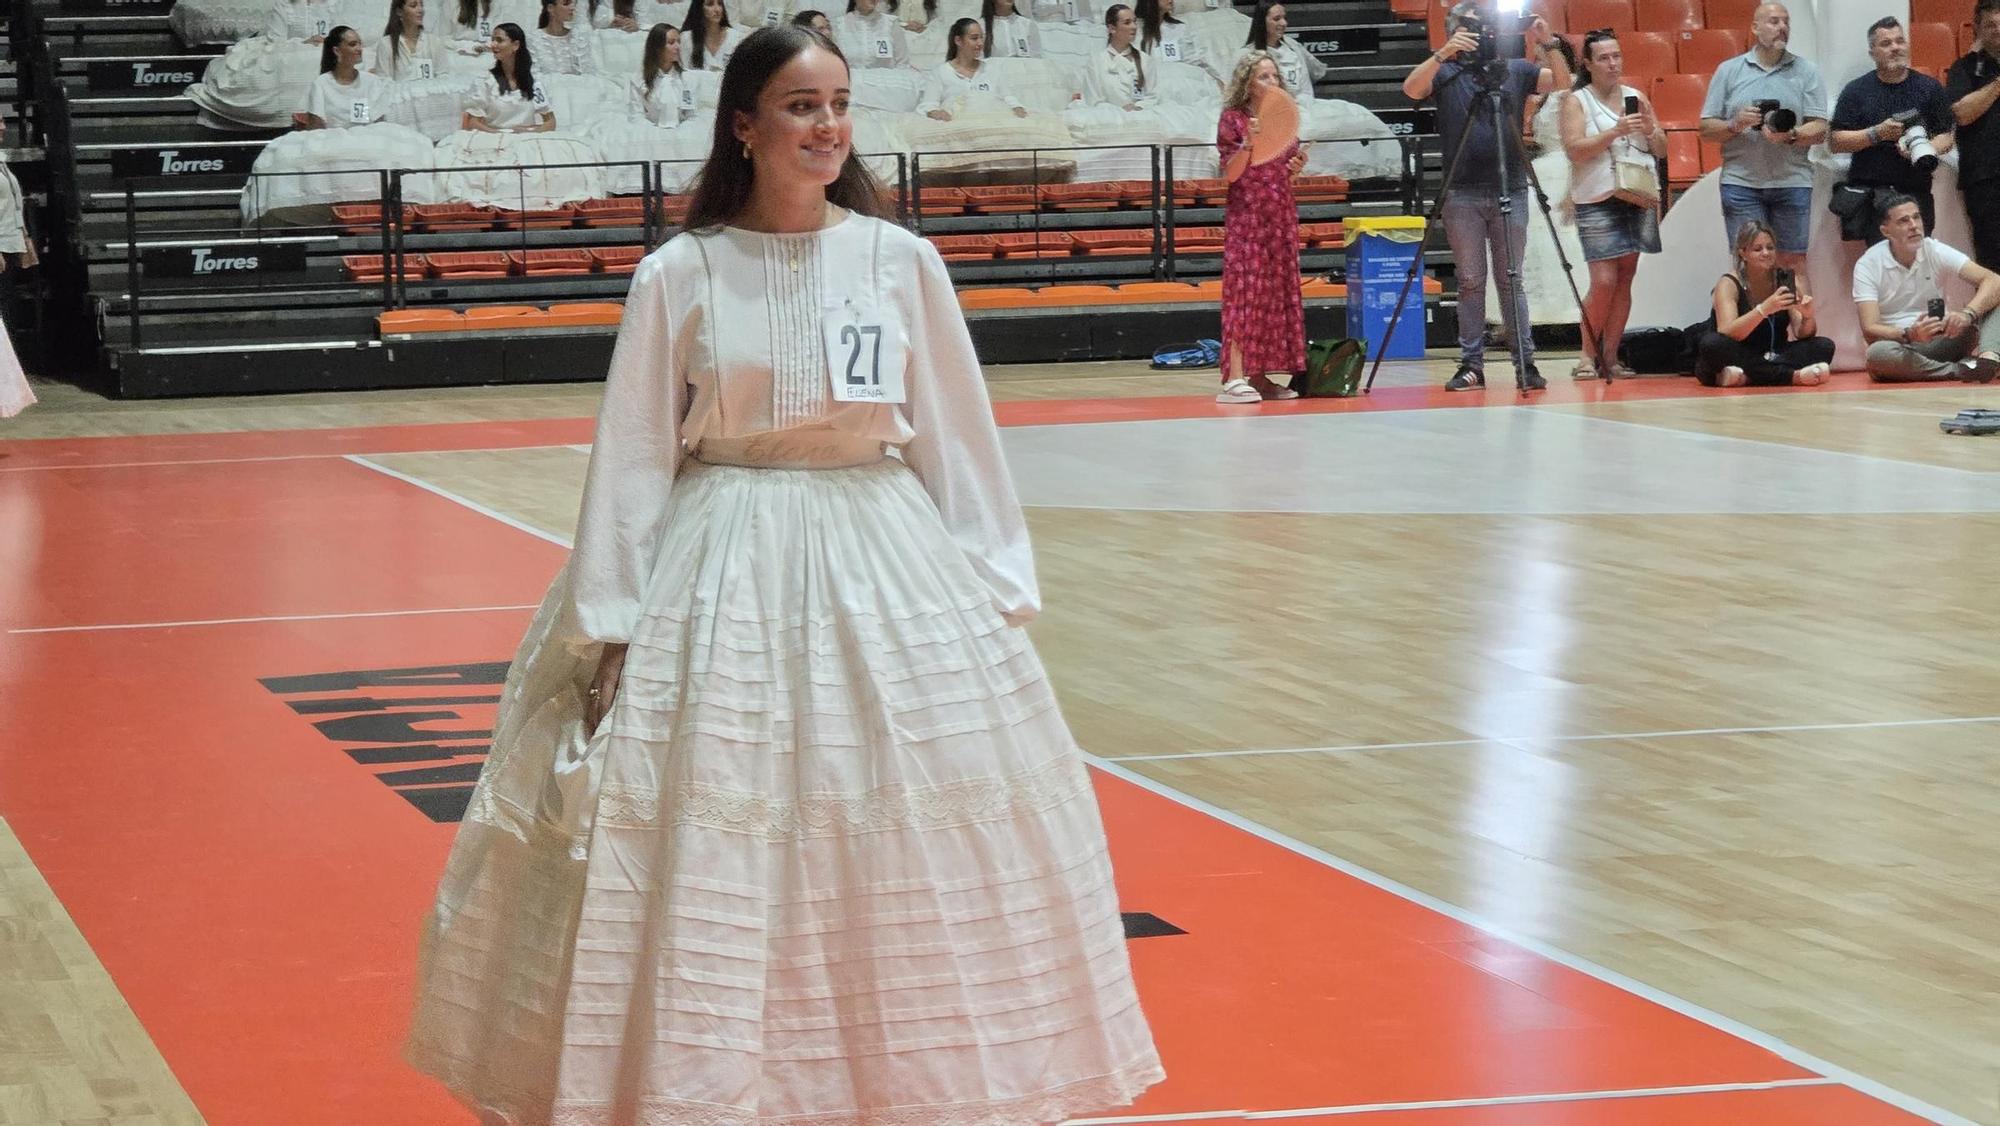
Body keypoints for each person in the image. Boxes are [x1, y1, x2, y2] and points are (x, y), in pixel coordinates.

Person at [404, 24, 1166, 1125]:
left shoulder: (899, 261)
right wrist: (606, 624)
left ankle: (893, 1086)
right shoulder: (684, 271)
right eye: (801, 106)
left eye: (838, 104)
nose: (825, 127)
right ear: (744, 124)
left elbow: (954, 431)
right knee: (714, 836)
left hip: (882, 550)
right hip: (721, 550)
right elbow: (631, 456)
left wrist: (994, 586)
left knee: (892, 831)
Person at [1402, 0, 1570, 391]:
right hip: (1461, 192)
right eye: (1471, 26)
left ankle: (1525, 364)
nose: (1480, 34)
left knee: (1512, 279)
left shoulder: (1514, 70)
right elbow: (1411, 89)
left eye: (1484, 26)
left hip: (1510, 185)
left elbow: (1563, 84)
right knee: (1471, 281)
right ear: (1455, 29)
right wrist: (1444, 51)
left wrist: (1549, 44)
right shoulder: (1446, 72)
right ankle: (1471, 364)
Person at [1560, 29, 1663, 380]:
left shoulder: (1637, 96)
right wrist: (1615, 131)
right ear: (1587, 64)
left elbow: (1661, 149)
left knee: (1625, 279)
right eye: (1603, 58)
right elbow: (1574, 150)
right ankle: (1586, 355)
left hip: (1637, 194)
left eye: (1616, 56)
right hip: (1597, 196)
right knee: (1603, 280)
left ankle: (1611, 355)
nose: (1613, 63)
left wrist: (1650, 129)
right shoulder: (1578, 101)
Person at [1698, 3, 1827, 272]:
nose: (1782, 28)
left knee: (1793, 263)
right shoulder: (1729, 71)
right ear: (1755, 28)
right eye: (1773, 22)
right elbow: (1707, 129)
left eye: (1786, 22)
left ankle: (1798, 316)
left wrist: (1790, 135)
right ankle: (1757, 315)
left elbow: (1819, 128)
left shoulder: (1807, 71)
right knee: (1750, 265)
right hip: (1742, 184)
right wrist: (1735, 124)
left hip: (1793, 182)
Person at [1215, 51, 1306, 403]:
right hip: (1248, 217)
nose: (1272, 82)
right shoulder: (1233, 120)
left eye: (1274, 76)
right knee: (1244, 295)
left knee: (1273, 295)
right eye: (1263, 77)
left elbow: (1281, 172)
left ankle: (1261, 375)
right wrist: (1249, 143)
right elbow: (1232, 173)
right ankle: (1234, 375)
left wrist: (1296, 168)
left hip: (1279, 215)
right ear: (1247, 83)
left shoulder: (1283, 121)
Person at [1830, 17, 1954, 240]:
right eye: (1886, 44)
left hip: (1917, 194)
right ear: (1872, 52)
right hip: (1873, 196)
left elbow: (1946, 136)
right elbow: (1836, 142)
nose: (1895, 48)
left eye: (1899, 41)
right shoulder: (1856, 91)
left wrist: (1925, 147)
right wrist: (1876, 134)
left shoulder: (1930, 87)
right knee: (1881, 267)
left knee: (1919, 265)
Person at [1857, 194, 2000, 381]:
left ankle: (1989, 360)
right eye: (1903, 221)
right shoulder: (1868, 263)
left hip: (1943, 339)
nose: (1914, 225)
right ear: (1886, 231)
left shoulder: (1934, 249)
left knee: (1995, 296)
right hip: (1902, 346)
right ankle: (1961, 370)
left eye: (1916, 217)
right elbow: (1869, 328)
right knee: (1877, 354)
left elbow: (1993, 280)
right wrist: (1910, 334)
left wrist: (1967, 314)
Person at [1694, 219, 1832, 386]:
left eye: (1770, 248)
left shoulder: (1784, 279)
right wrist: (1764, 309)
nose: (1766, 253)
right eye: (1758, 249)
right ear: (1743, 253)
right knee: (1712, 345)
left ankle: (1748, 377)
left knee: (1824, 346)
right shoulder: (1728, 283)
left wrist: (1808, 317)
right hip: (1739, 350)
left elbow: (1802, 333)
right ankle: (1791, 377)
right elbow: (1728, 331)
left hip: (1772, 352)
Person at [1947, 0, 2000, 268]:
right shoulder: (1964, 68)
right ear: (1977, 28)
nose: (1998, 30)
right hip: (1985, 179)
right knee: (1993, 261)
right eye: (1991, 25)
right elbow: (1962, 113)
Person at [917, 19, 1028, 119]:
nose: (980, 43)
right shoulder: (940, 73)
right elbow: (928, 105)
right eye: (974, 38)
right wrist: (935, 113)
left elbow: (1009, 97)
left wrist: (1017, 107)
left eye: (981, 38)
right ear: (958, 41)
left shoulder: (992, 70)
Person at [1233, 2, 1322, 111]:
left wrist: (1293, 103)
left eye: (1284, 18)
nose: (1284, 23)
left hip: (1297, 112)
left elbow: (1307, 92)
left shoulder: (1294, 50)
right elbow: (1236, 97)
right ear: (1262, 22)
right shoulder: (1245, 55)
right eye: (1277, 19)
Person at [299, 26, 394, 127]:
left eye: (360, 44)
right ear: (337, 51)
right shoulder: (321, 83)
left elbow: (379, 122)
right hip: (331, 140)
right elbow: (316, 127)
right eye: (353, 44)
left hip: (366, 138)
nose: (359, 49)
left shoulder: (371, 81)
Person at [1136, 0, 1219, 88]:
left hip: (1178, 82)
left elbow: (1192, 59)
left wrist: (1213, 77)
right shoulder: (1135, 29)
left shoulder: (1177, 28)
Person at [1083, 4, 1147, 109]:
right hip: (1108, 118)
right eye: (1127, 22)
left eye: (1134, 21)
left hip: (1142, 116)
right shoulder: (1096, 62)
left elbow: (1153, 95)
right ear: (1112, 28)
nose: (1134, 26)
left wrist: (1138, 107)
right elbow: (1092, 99)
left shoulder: (1145, 60)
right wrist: (1119, 110)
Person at [372, 0, 452, 79]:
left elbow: (443, 76)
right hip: (398, 92)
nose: (420, 10)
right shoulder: (386, 44)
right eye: (413, 5)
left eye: (421, 5)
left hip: (430, 91)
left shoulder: (435, 42)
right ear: (399, 12)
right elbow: (383, 82)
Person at [632, 21, 692, 122]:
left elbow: (690, 115)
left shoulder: (687, 78)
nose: (678, 47)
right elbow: (636, 116)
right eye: (671, 42)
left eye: (679, 42)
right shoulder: (638, 79)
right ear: (657, 48)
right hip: (650, 132)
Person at [530, 0, 601, 74]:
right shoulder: (534, 39)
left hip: (579, 84)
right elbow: (534, 75)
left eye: (574, 4)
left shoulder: (578, 37)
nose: (572, 8)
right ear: (550, 8)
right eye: (566, 4)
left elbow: (588, 71)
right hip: (548, 85)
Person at [835, 0, 906, 68]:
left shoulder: (890, 23)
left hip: (887, 78)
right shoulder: (839, 25)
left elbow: (903, 63)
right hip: (852, 78)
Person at [684, 0, 744, 70]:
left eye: (720, 4)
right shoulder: (686, 38)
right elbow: (684, 74)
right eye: (710, 4)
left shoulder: (736, 37)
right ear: (699, 8)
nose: (717, 9)